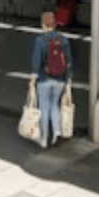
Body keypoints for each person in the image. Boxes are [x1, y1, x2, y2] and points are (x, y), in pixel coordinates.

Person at [29, 12, 74, 149]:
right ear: (54, 24)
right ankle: (56, 132)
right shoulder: (64, 39)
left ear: (43, 24)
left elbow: (36, 61)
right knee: (54, 105)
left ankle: (43, 138)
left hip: (44, 79)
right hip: (60, 79)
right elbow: (68, 61)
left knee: (44, 108)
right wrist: (68, 79)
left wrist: (33, 79)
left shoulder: (40, 40)